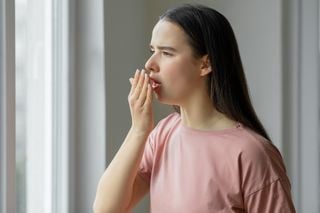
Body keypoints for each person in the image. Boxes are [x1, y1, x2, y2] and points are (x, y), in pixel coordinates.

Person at [93, 4, 296, 213]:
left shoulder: (252, 153)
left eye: (166, 53)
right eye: (152, 51)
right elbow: (106, 209)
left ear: (205, 65)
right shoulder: (162, 135)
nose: (150, 64)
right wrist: (138, 130)